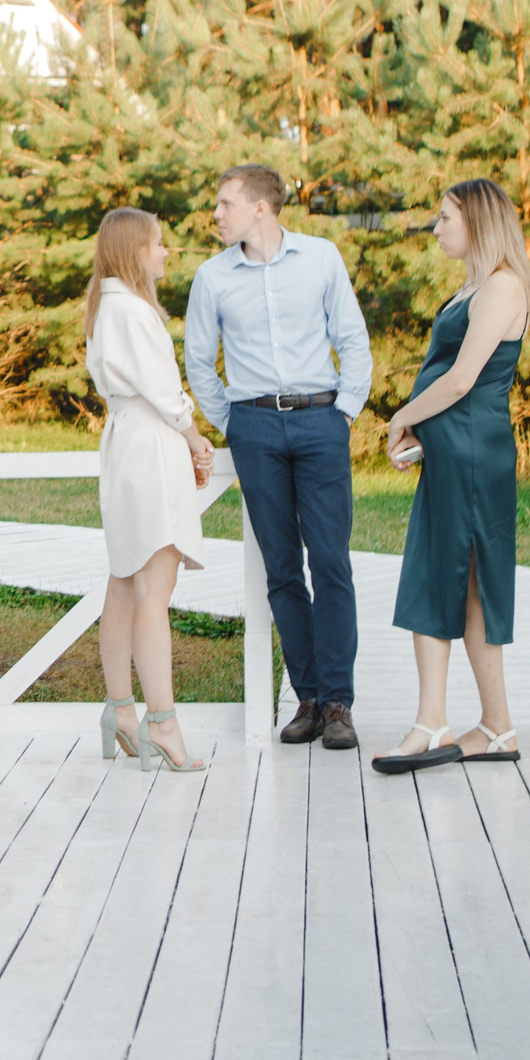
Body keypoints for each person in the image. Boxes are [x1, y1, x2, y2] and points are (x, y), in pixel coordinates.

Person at [184, 163, 373, 751]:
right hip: (256, 427)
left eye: (224, 203)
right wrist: (232, 425)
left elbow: (352, 339)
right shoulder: (211, 277)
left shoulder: (321, 258)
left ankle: (339, 702)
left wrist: (343, 412)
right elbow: (198, 362)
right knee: (282, 570)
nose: (215, 214)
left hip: (321, 420)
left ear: (260, 207)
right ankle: (309, 698)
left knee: (332, 562)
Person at [373, 179, 530, 775]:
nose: (436, 227)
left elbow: (463, 379)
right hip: (455, 452)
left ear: (478, 221)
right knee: (458, 586)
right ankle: (490, 726)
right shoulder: (476, 286)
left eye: (444, 218)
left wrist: (401, 418)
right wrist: (420, 429)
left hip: (472, 454)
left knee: (449, 580)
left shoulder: (501, 287)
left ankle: (437, 722)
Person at [84, 208, 214, 774]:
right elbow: (164, 391)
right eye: (159, 244)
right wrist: (194, 437)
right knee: (153, 589)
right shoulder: (133, 311)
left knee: (124, 581)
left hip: (124, 443)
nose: (165, 253)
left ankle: (121, 710)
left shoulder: (104, 308)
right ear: (136, 249)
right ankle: (162, 720)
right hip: (151, 443)